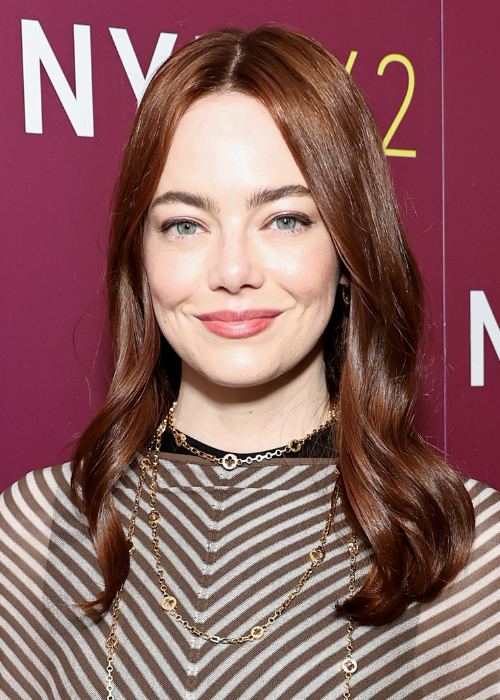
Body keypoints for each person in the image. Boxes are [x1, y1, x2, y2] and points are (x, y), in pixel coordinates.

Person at [1, 24, 499, 700]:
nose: (233, 271)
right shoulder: (35, 530)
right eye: (185, 224)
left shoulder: (467, 557)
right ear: (140, 259)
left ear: (350, 248)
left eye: (285, 219)